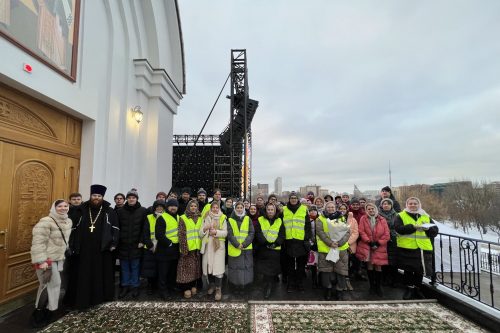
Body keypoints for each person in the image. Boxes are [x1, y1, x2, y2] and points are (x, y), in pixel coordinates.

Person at [68, 184, 119, 310]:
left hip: (102, 249)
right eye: (94, 195)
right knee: (83, 275)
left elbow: (116, 229)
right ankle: (83, 299)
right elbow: (73, 229)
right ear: (90, 196)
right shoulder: (81, 209)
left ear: (102, 197)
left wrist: (113, 243)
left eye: (99, 196)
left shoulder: (109, 210)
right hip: (83, 249)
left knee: (99, 274)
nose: (96, 198)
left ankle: (98, 298)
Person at [30, 199, 72, 328]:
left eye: (65, 206)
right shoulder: (46, 221)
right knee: (51, 285)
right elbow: (38, 243)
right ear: (54, 207)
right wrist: (41, 261)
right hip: (46, 260)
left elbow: (65, 241)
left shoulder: (68, 221)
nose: (63, 208)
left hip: (58, 259)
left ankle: (47, 311)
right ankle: (39, 314)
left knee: (50, 285)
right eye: (60, 206)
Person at [395, 197, 438, 300]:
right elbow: (398, 229)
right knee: (408, 270)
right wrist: (413, 227)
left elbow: (435, 231)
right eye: (410, 203)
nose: (413, 205)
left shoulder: (425, 216)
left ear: (419, 205)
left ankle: (417, 289)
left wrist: (428, 229)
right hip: (408, 247)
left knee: (420, 270)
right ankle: (409, 289)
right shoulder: (401, 215)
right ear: (407, 205)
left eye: (415, 203)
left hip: (423, 248)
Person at [316, 201, 350, 300]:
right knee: (326, 271)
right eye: (329, 207)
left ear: (335, 208)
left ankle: (340, 290)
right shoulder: (320, 219)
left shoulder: (342, 218)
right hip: (326, 249)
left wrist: (340, 243)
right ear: (325, 208)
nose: (331, 208)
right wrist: (330, 243)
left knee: (341, 270)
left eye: (332, 207)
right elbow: (320, 232)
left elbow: (347, 232)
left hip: (340, 249)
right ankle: (328, 289)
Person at [116, 189, 147, 299]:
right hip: (123, 243)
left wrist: (142, 241)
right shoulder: (120, 211)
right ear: (127, 199)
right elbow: (117, 227)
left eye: (133, 197)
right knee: (124, 267)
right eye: (129, 197)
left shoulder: (142, 211)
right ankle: (125, 286)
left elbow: (145, 228)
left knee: (135, 266)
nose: (131, 199)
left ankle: (135, 286)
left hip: (136, 244)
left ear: (136, 199)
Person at [356, 203, 390, 297]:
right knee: (370, 265)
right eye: (369, 209)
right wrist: (369, 242)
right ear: (366, 210)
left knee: (378, 266)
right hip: (368, 246)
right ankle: (371, 286)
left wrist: (378, 243)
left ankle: (378, 287)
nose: (371, 210)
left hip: (379, 246)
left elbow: (386, 234)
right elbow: (361, 231)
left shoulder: (382, 219)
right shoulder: (363, 218)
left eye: (372, 209)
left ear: (376, 209)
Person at [254, 202, 285, 299]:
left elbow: (282, 234)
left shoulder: (279, 220)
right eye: (269, 210)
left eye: (272, 210)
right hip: (263, 248)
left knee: (272, 269)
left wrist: (276, 243)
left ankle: (269, 286)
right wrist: (266, 243)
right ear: (266, 210)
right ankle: (266, 285)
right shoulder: (260, 219)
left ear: (275, 211)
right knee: (264, 269)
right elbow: (258, 233)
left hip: (275, 249)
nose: (270, 211)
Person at [282, 192, 311, 293]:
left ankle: (299, 284)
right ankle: (291, 284)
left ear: (298, 199)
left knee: (300, 265)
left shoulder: (304, 209)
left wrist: (307, 238)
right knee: (289, 265)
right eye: (291, 198)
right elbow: (281, 225)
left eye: (295, 198)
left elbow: (307, 225)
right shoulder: (284, 210)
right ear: (289, 199)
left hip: (301, 241)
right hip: (288, 241)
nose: (293, 199)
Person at [199, 201, 227, 301]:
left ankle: (218, 289)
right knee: (209, 267)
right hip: (208, 246)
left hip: (218, 247)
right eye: (213, 207)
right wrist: (204, 229)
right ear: (210, 208)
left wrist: (216, 232)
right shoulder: (206, 217)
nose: (215, 209)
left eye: (217, 207)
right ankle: (212, 285)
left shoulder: (223, 218)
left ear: (219, 208)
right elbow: (200, 233)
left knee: (218, 269)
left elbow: (225, 233)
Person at [227, 201, 254, 296]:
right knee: (235, 269)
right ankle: (235, 286)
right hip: (235, 248)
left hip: (246, 249)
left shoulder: (248, 219)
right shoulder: (230, 220)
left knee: (246, 268)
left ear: (243, 209)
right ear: (235, 209)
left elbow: (251, 233)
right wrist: (237, 244)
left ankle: (244, 286)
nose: (239, 209)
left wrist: (244, 244)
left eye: (241, 208)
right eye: (237, 207)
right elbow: (229, 234)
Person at [155, 198, 180, 300]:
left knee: (172, 271)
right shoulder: (162, 218)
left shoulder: (178, 217)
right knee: (163, 272)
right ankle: (163, 291)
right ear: (167, 207)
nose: (173, 208)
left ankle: (171, 287)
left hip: (175, 250)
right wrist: (169, 243)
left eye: (175, 206)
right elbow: (159, 235)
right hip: (164, 250)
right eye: (171, 206)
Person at [177, 199, 202, 298]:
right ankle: (185, 288)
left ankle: (192, 285)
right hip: (187, 248)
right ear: (188, 207)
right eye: (191, 206)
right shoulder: (183, 217)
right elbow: (181, 234)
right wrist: (184, 248)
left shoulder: (200, 217)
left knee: (195, 269)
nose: (193, 208)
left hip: (197, 248)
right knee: (185, 269)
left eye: (195, 206)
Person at [142, 200, 166, 295]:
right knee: (150, 268)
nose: (159, 208)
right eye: (157, 206)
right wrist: (149, 244)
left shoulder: (166, 217)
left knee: (160, 268)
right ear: (154, 208)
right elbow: (145, 232)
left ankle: (159, 285)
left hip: (162, 246)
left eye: (161, 207)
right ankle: (150, 285)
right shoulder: (149, 217)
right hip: (151, 245)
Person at [337, 203, 359, 292]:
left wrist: (347, 242)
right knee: (340, 265)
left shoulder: (353, 220)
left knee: (348, 264)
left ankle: (347, 281)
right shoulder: (335, 219)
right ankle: (341, 282)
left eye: (344, 208)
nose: (342, 210)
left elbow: (355, 232)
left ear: (347, 210)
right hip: (339, 246)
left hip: (350, 245)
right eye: (340, 208)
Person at [378, 198, 399, 287]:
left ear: (391, 205)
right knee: (383, 260)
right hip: (382, 239)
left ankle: (394, 279)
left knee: (393, 260)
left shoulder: (396, 215)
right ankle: (384, 279)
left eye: (388, 204)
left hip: (393, 239)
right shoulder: (378, 215)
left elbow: (398, 226)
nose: (386, 205)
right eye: (384, 204)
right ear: (381, 205)